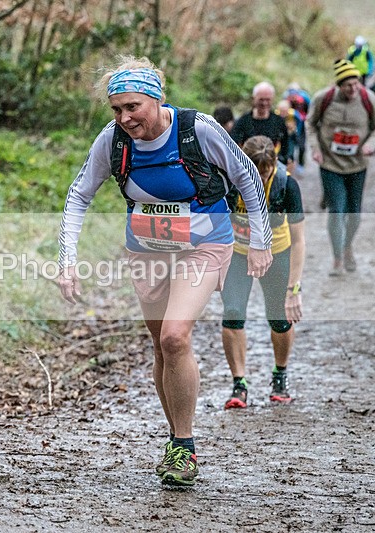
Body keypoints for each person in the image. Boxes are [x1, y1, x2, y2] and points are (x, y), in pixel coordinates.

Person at [57, 55, 272, 487]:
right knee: (161, 347)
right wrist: (67, 260)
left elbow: (247, 175)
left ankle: (186, 447)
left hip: (205, 245)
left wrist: (261, 243)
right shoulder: (112, 140)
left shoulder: (198, 129)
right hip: (147, 250)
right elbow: (79, 194)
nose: (125, 117)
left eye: (133, 106)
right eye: (117, 109)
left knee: (175, 335)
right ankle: (176, 440)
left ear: (157, 99)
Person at [221, 136, 305, 410]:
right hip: (239, 252)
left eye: (264, 172)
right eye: (252, 172)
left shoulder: (286, 185)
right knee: (233, 313)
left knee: (279, 318)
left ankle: (280, 375)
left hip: (276, 253)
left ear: (272, 166)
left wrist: (294, 288)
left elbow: (299, 239)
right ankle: (239, 383)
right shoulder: (229, 181)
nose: (258, 177)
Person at [305, 59, 375, 276]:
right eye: (348, 86)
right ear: (338, 85)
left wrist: (371, 144)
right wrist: (315, 148)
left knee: (354, 214)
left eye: (356, 84)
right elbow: (310, 123)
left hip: (357, 165)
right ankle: (337, 257)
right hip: (330, 164)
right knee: (337, 210)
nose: (354, 89)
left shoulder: (368, 99)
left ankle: (347, 247)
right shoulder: (323, 99)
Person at [231, 82, 291, 166]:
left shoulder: (278, 121)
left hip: (272, 167)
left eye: (268, 100)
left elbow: (286, 145)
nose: (264, 103)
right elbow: (233, 144)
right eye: (261, 99)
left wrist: (283, 161)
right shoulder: (243, 121)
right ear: (254, 98)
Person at [282, 83, 312, 166]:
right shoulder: (286, 98)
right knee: (290, 146)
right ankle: (290, 163)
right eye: (291, 93)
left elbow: (311, 109)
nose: (293, 95)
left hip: (302, 124)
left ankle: (301, 164)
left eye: (294, 93)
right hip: (291, 125)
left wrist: (307, 118)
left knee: (302, 146)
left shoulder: (304, 98)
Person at [275, 99, 301, 168]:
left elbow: (299, 124)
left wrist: (294, 129)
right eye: (281, 111)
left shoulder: (294, 115)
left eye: (285, 111)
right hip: (280, 137)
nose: (283, 113)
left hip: (291, 136)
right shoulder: (276, 115)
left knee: (290, 153)